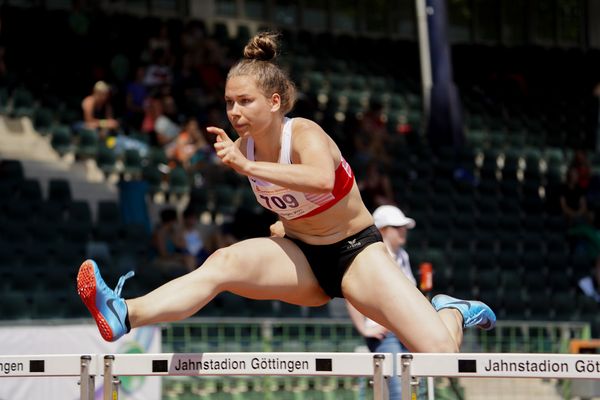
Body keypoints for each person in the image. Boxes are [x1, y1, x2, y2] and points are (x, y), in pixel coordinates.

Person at [77, 32, 495, 348]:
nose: (235, 112)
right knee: (221, 263)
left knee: (440, 353)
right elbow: (290, 197)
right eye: (229, 103)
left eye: (245, 101)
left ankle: (451, 310)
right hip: (301, 257)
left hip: (355, 253)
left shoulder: (305, 133)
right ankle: (125, 312)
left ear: (275, 102)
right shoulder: (245, 148)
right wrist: (281, 220)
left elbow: (319, 180)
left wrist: (247, 165)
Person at [346, 205, 417, 400]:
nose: (403, 231)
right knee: (398, 393)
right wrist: (364, 329)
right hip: (385, 334)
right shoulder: (371, 257)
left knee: (409, 392)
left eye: (403, 227)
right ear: (383, 230)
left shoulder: (403, 256)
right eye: (397, 226)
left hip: (405, 332)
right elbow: (352, 295)